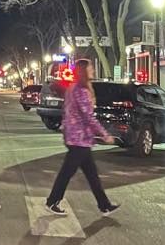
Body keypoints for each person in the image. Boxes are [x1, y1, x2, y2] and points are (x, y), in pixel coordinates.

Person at [45, 58, 120, 217]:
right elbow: (89, 118)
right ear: (84, 71)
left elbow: (67, 112)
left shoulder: (72, 88)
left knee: (92, 174)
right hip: (79, 140)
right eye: (91, 67)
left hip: (77, 138)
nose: (93, 70)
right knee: (67, 173)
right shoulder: (82, 91)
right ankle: (52, 201)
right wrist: (104, 134)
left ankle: (104, 205)